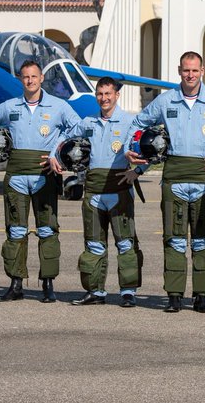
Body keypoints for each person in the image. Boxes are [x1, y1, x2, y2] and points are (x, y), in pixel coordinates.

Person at [128, 51, 205, 313]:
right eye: (185, 70)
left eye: (194, 70)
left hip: (204, 175)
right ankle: (174, 295)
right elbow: (137, 122)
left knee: (203, 238)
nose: (190, 75)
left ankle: (202, 295)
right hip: (174, 175)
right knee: (174, 238)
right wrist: (132, 147)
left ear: (202, 71)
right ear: (179, 71)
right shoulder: (166, 101)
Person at [0, 60, 81, 303]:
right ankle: (16, 283)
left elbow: (77, 127)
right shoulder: (10, 106)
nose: (30, 81)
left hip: (44, 176)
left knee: (47, 230)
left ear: (41, 79)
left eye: (34, 76)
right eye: (25, 77)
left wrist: (56, 150)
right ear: (21, 79)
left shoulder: (58, 106)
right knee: (16, 230)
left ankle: (48, 284)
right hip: (16, 175)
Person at [53, 76, 145, 308]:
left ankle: (128, 292)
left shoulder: (130, 122)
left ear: (117, 95)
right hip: (93, 190)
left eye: (108, 94)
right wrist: (56, 153)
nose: (104, 99)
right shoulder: (89, 122)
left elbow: (149, 148)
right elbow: (66, 136)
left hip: (119, 189)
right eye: (100, 94)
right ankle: (95, 291)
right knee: (94, 243)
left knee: (125, 243)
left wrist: (138, 171)